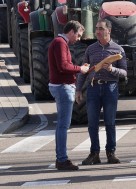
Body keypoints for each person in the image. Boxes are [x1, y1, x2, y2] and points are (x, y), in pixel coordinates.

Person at [76, 19, 127, 165]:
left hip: (110, 87)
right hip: (93, 88)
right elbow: (84, 71)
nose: (97, 31)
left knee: (110, 122)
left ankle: (111, 152)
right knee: (92, 123)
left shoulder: (118, 49)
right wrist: (78, 89)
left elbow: (124, 72)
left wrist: (112, 69)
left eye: (101, 29)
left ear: (108, 31)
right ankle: (94, 153)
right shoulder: (90, 49)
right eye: (96, 28)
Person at [48, 20, 89, 170]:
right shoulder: (60, 43)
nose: (78, 39)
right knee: (63, 125)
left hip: (61, 86)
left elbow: (63, 65)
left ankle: (61, 158)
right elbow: (63, 66)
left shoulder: (60, 42)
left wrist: (78, 68)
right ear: (71, 31)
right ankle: (62, 159)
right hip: (63, 87)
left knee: (62, 124)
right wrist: (80, 69)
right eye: (78, 35)